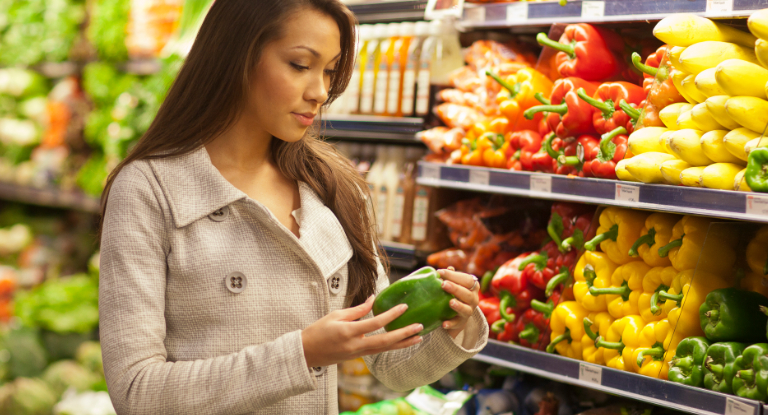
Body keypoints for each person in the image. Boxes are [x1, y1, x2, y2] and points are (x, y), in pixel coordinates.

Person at [97, 1, 489, 413]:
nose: (320, 91)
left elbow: (389, 364)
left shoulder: (332, 186)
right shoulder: (149, 189)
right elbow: (137, 392)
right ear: (237, 55)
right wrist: (301, 354)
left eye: (330, 71)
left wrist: (453, 324)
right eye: (300, 65)